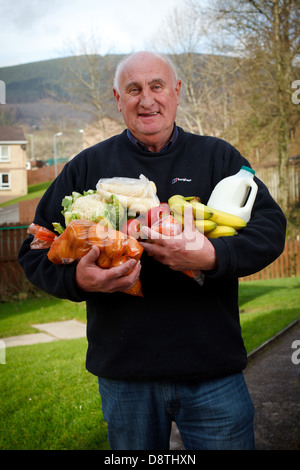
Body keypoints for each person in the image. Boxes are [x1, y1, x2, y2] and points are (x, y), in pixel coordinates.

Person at [18, 51, 286, 450]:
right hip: (125, 377)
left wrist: (210, 257)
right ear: (117, 98)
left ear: (176, 92)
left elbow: (270, 229)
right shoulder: (86, 166)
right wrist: (78, 279)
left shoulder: (218, 157)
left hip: (212, 373)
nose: (147, 100)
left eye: (157, 86)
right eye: (134, 89)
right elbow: (35, 249)